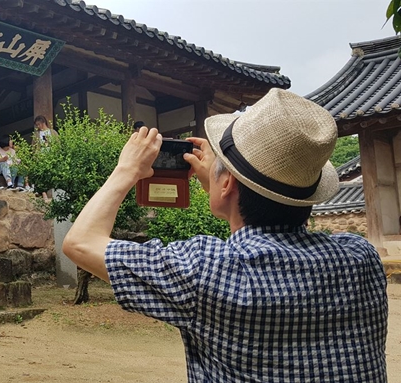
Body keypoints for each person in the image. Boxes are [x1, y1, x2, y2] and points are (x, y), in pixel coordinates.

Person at [62, 89, 388, 382]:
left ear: (229, 183)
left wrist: (127, 169)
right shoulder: (361, 257)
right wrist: (222, 189)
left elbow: (81, 242)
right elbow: (257, 249)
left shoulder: (205, 271)